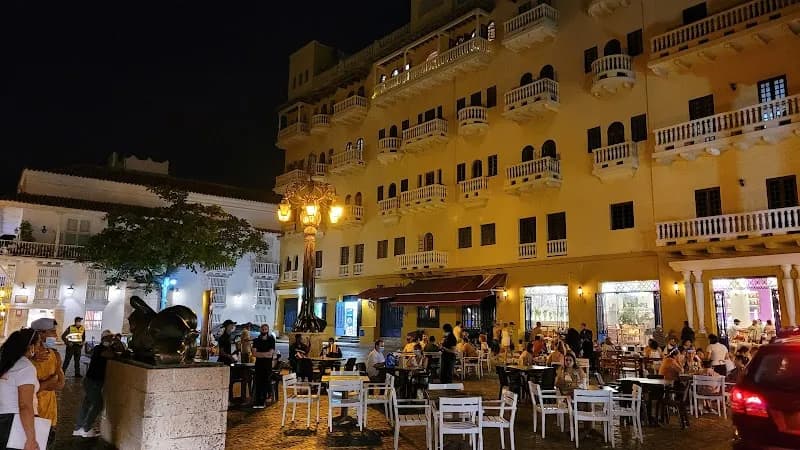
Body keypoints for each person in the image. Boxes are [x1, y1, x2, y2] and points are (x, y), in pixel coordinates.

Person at [0, 329, 41, 450]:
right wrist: (31, 439)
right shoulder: (25, 367)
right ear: (31, 346)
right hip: (13, 423)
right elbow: (25, 405)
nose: (40, 347)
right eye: (39, 343)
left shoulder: (5, 363)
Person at [74, 330, 116, 437]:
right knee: (98, 405)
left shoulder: (103, 348)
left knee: (87, 403)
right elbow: (110, 355)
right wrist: (114, 346)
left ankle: (78, 427)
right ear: (103, 339)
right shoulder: (99, 348)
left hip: (93, 381)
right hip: (93, 382)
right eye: (108, 338)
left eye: (111, 338)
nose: (110, 340)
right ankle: (86, 428)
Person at [31, 318, 65, 448]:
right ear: (40, 334)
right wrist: (49, 382)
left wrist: (47, 383)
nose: (56, 336)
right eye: (52, 332)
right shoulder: (25, 358)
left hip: (49, 415)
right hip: (32, 414)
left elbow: (60, 384)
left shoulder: (54, 355)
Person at [252, 324, 276, 409]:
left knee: (265, 382)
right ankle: (257, 401)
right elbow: (254, 353)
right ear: (260, 330)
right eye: (263, 329)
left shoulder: (271, 340)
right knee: (258, 383)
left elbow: (270, 354)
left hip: (267, 366)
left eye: (266, 329)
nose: (264, 330)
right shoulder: (256, 340)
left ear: (268, 330)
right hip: (258, 365)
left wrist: (260, 354)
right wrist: (265, 354)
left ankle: (263, 401)